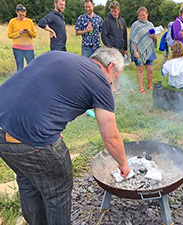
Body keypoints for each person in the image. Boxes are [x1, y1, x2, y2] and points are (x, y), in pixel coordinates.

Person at [0, 48, 130, 225]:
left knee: (28, 178)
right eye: (115, 77)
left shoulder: (56, 55)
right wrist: (123, 163)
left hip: (3, 129)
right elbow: (111, 137)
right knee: (58, 191)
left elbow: (35, 89)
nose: (112, 83)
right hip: (31, 140)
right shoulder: (99, 81)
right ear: (110, 67)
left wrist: (50, 127)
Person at [129, 6, 157, 93]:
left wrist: (154, 37)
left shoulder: (150, 25)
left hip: (149, 49)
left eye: (143, 15)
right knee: (140, 69)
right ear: (138, 16)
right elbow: (132, 39)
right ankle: (141, 87)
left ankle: (149, 85)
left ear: (147, 15)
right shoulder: (135, 25)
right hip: (138, 51)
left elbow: (154, 38)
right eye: (140, 15)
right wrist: (135, 51)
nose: (142, 17)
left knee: (150, 70)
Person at [101, 1, 127, 93]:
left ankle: (117, 85)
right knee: (111, 69)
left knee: (119, 68)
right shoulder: (107, 21)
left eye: (115, 11)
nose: (113, 13)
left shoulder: (122, 21)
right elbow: (104, 35)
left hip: (120, 49)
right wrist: (109, 47)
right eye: (112, 11)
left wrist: (125, 49)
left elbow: (124, 35)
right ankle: (111, 87)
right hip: (111, 49)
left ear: (118, 10)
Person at [7, 4, 36, 71]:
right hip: (17, 48)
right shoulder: (12, 21)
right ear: (16, 12)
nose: (22, 17)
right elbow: (9, 35)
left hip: (29, 48)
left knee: (31, 66)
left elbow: (34, 35)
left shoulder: (29, 21)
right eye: (20, 15)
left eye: (24, 15)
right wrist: (19, 33)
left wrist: (29, 32)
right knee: (20, 67)